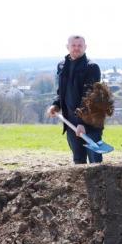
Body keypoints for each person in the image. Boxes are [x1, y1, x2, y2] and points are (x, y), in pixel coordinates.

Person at [46, 35, 104, 164]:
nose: (76, 48)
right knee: (78, 160)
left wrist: (82, 122)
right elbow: (61, 91)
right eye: (73, 45)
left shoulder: (92, 67)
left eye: (79, 45)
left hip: (90, 122)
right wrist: (56, 104)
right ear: (67, 47)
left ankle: (99, 178)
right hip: (71, 122)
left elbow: (89, 96)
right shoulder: (62, 66)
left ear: (85, 47)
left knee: (95, 161)